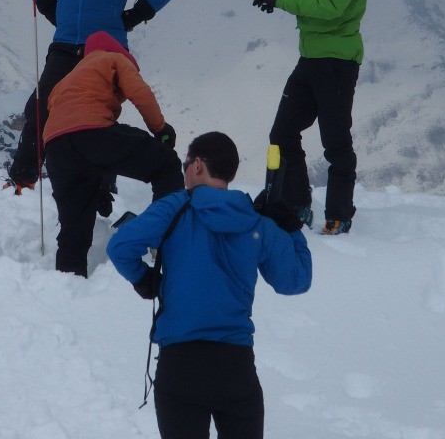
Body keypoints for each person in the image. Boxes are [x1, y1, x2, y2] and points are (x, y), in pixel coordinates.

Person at [107, 131, 312, 439]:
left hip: (180, 366)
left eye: (185, 164)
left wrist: (144, 279)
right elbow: (296, 280)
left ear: (198, 165)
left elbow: (120, 247)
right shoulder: (257, 222)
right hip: (236, 369)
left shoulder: (174, 208)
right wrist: (289, 227)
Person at [5, 0, 182, 194]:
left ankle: (103, 190)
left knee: (98, 116)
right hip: (65, 43)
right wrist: (46, 4)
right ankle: (23, 179)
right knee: (39, 107)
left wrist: (138, 14)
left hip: (105, 50)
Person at [251, 0, 372, 235]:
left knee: (335, 141)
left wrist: (279, 1)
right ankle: (297, 204)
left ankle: (339, 215)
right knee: (282, 133)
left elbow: (333, 6)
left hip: (338, 61)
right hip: (310, 59)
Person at [43, 30, 184, 277]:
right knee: (166, 165)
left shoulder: (67, 80)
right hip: (92, 130)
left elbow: (71, 135)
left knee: (74, 226)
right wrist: (161, 129)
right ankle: (165, 237)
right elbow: (141, 94)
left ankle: (68, 282)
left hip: (55, 145)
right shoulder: (112, 59)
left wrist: (98, 189)